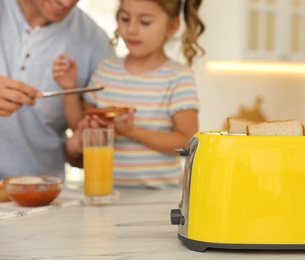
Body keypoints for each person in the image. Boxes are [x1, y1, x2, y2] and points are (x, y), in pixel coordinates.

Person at [53, 0, 205, 188]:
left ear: (172, 26)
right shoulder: (105, 70)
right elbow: (80, 126)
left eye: (145, 22)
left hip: (159, 197)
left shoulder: (179, 77)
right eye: (125, 19)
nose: (131, 29)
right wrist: (69, 88)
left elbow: (187, 142)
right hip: (105, 193)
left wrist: (132, 132)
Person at [0, 0, 113, 179]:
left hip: (41, 195)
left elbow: (82, 159)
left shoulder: (96, 43)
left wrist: (77, 149)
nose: (66, 2)